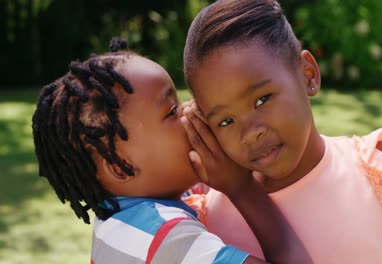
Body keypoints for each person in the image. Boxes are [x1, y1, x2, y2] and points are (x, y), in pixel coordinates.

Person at [181, 0, 382, 263]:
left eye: (262, 100)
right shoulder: (208, 219)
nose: (251, 133)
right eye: (226, 121)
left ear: (308, 74)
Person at [31, 37, 311, 264]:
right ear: (120, 166)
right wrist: (242, 189)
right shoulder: (165, 239)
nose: (192, 110)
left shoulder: (123, 220)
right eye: (172, 111)